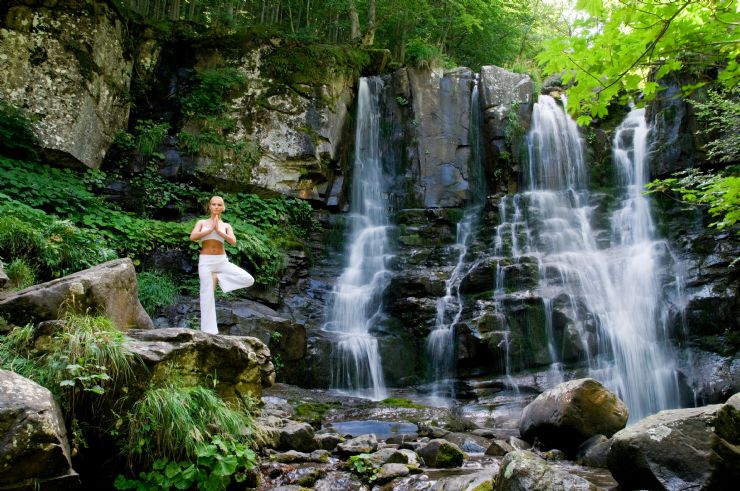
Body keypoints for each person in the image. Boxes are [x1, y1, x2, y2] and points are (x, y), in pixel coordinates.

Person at [189, 195, 254, 334]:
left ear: (223, 207)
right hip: (206, 262)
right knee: (206, 295)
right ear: (209, 206)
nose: (216, 207)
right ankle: (209, 332)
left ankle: (219, 278)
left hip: (221, 261)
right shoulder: (201, 222)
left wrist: (219, 231)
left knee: (248, 279)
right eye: (213, 204)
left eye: (219, 205)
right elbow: (193, 237)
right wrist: (210, 229)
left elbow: (233, 241)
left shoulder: (226, 225)